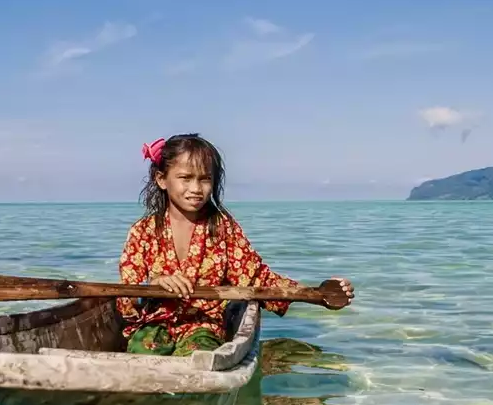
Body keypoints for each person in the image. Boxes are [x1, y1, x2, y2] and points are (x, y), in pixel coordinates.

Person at [118, 134, 353, 356]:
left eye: (205, 179)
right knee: (143, 350)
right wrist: (154, 284)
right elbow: (126, 297)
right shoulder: (142, 231)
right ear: (161, 179)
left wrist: (318, 294)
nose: (196, 189)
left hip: (204, 326)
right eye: (185, 178)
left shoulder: (223, 228)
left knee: (200, 355)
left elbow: (257, 278)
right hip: (155, 322)